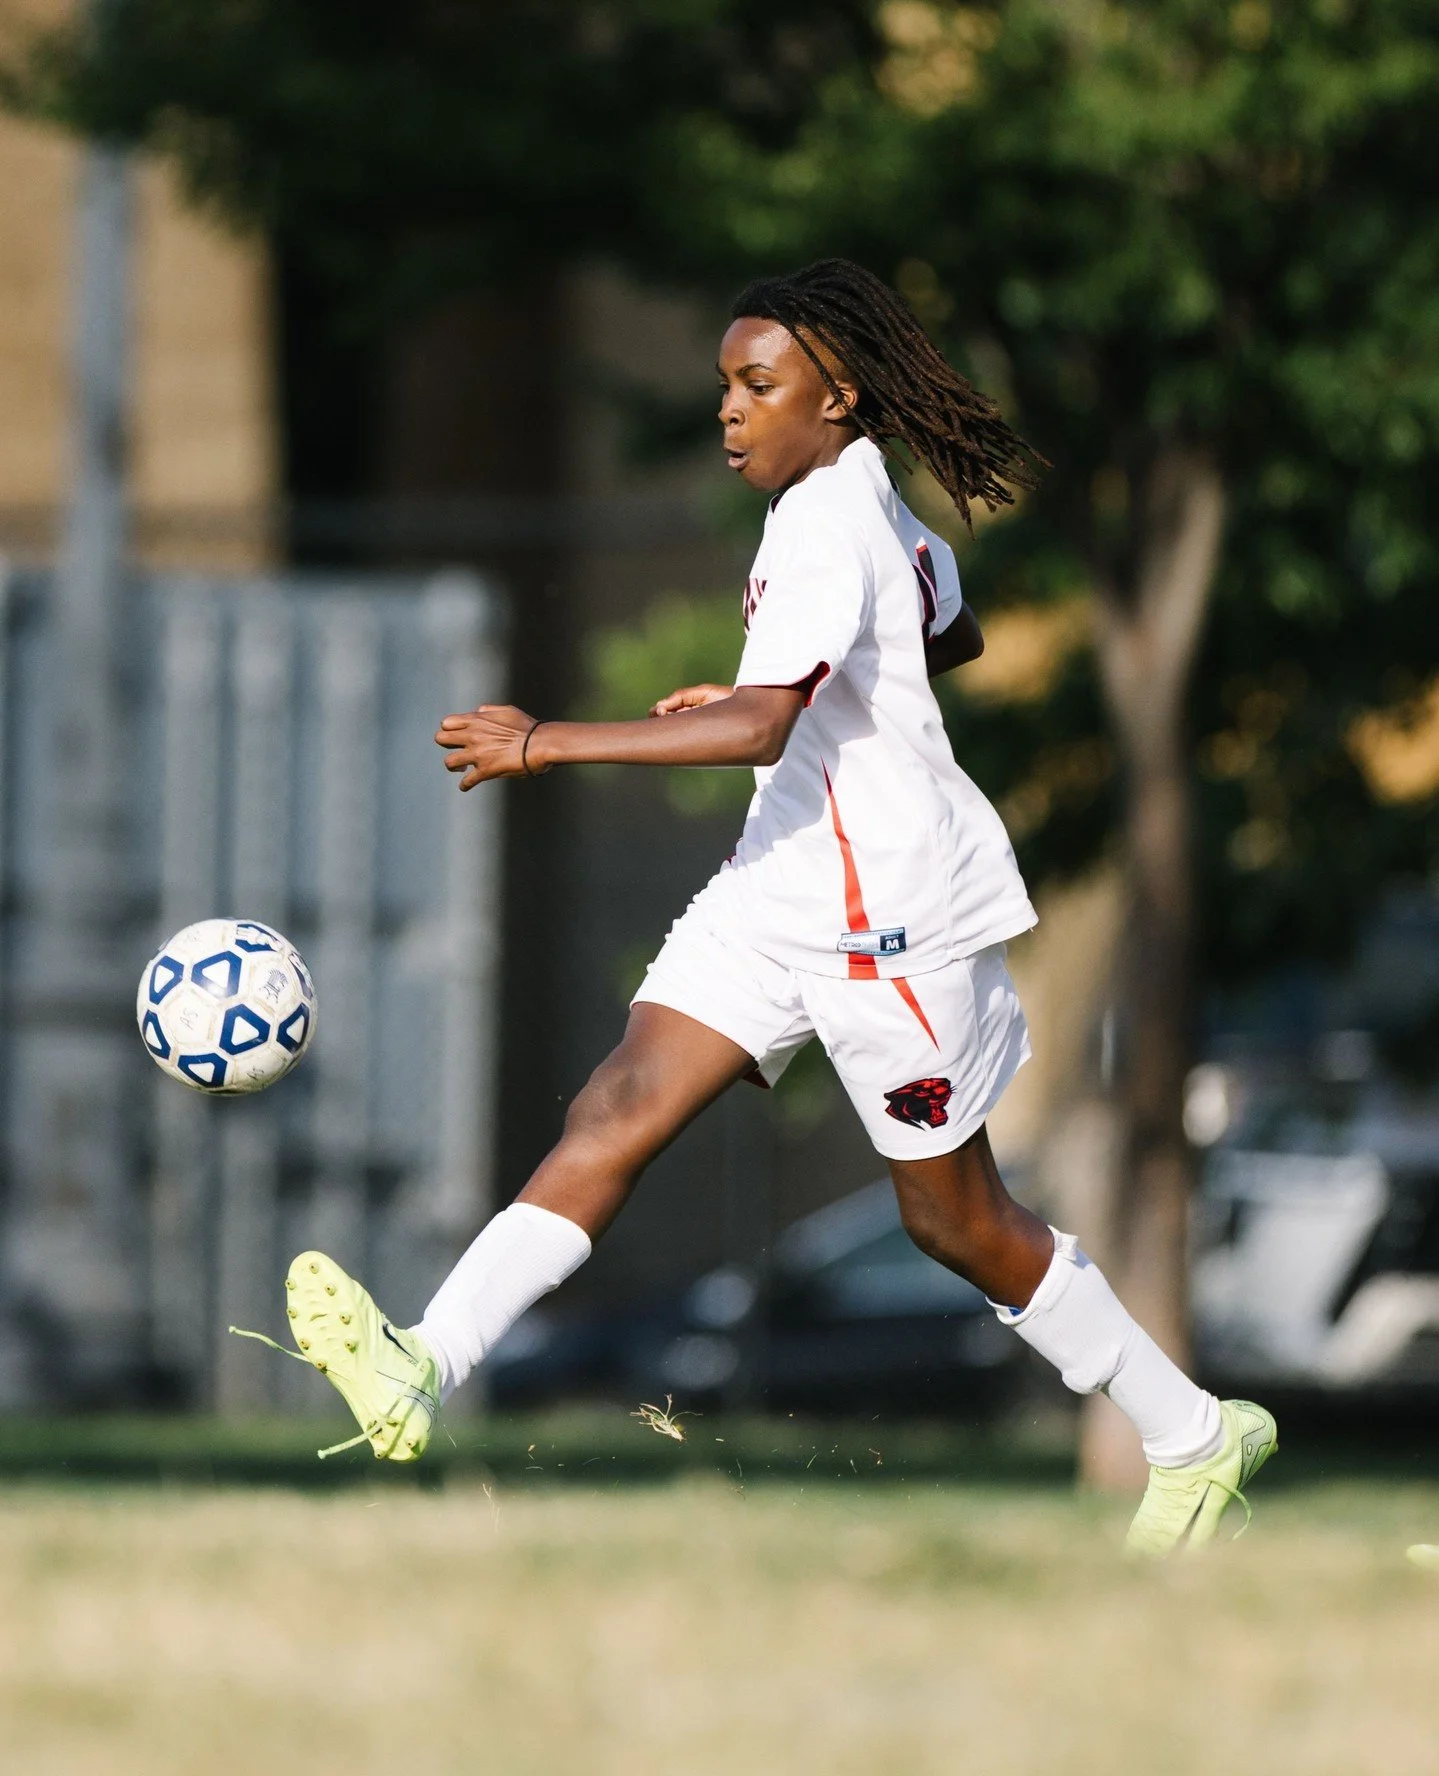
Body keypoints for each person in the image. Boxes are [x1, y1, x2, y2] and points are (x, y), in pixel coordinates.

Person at [276, 258, 1276, 1556]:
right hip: (779, 889)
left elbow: (760, 729)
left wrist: (544, 743)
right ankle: (424, 1362)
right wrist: (816, 687)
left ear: (839, 395)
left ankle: (1194, 1434)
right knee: (616, 1107)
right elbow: (941, 630)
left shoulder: (824, 523)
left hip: (890, 926)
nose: (730, 412)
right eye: (722, 388)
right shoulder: (858, 501)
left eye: (759, 386)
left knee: (954, 1223)